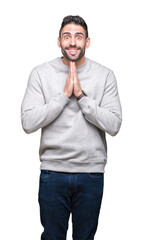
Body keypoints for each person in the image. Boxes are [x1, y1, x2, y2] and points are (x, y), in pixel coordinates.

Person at [21, 15, 122, 240]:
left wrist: (82, 97)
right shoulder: (41, 73)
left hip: (91, 174)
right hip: (53, 172)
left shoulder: (105, 75)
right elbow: (28, 122)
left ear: (87, 42)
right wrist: (64, 95)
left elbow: (114, 124)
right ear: (59, 41)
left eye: (78, 37)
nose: (72, 42)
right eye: (67, 37)